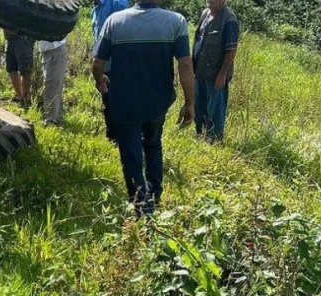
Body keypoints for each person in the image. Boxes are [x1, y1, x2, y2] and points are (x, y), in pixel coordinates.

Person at [92, 1, 195, 216]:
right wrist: (190, 103)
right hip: (158, 102)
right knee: (153, 143)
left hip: (124, 101)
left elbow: (97, 63)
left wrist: (99, 80)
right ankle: (154, 194)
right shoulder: (176, 21)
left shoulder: (114, 21)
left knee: (131, 153)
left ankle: (141, 208)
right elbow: (185, 64)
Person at [192, 0, 239, 142]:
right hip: (199, 71)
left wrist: (222, 74)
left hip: (215, 75)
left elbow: (231, 50)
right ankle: (200, 134)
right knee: (198, 106)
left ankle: (214, 139)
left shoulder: (229, 20)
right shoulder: (205, 14)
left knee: (215, 109)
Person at [90, 0, 131, 140]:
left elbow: (127, 33)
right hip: (103, 65)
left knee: (121, 101)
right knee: (108, 101)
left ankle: (124, 137)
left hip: (120, 65)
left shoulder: (118, 3)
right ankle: (112, 136)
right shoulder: (95, 8)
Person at [39, 38, 67, 125]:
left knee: (51, 86)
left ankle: (51, 120)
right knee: (53, 86)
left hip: (55, 50)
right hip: (49, 52)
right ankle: (57, 118)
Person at [4, 29, 35, 106]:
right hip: (10, 38)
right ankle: (19, 96)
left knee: (25, 70)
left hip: (23, 37)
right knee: (11, 68)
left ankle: (25, 99)